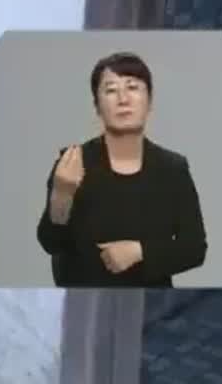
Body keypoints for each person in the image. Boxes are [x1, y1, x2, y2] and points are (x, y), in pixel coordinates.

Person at [36, 51, 208, 288]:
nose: (123, 99)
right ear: (97, 106)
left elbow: (195, 248)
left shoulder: (173, 168)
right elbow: (50, 243)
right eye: (111, 90)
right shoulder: (72, 161)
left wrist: (140, 252)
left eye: (132, 87)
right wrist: (62, 195)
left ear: (150, 101)